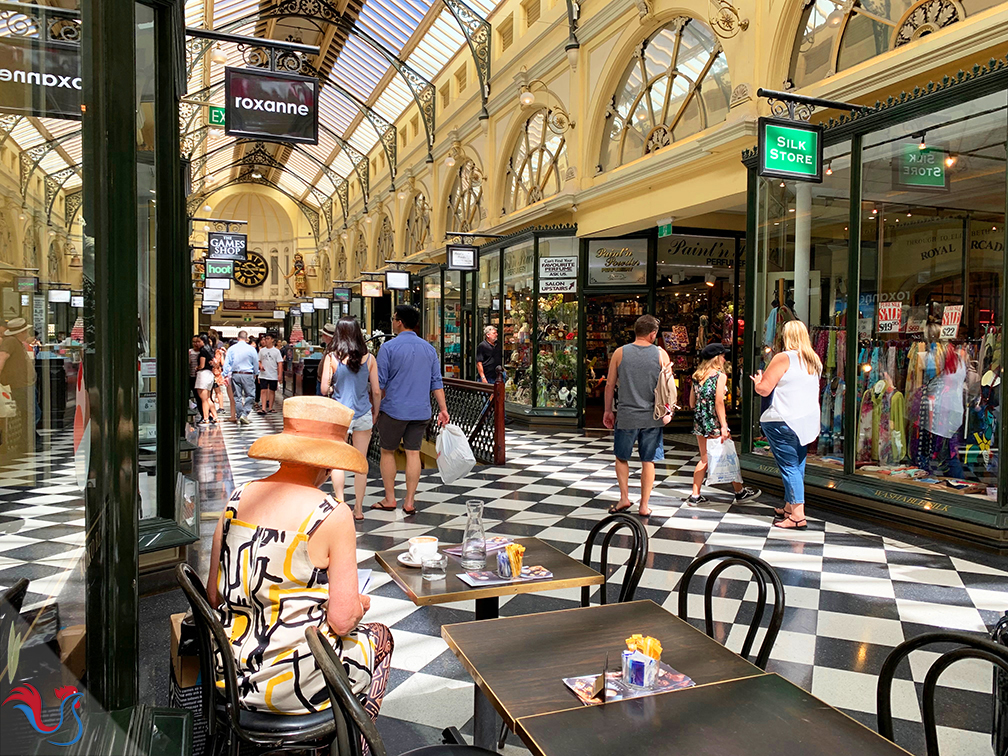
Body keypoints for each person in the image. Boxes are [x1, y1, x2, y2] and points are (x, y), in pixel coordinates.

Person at [206, 396, 393, 719]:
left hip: (229, 672)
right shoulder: (331, 514)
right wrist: (358, 604)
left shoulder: (237, 499)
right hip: (294, 683)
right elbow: (341, 620)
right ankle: (350, 745)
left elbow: (213, 594)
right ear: (328, 462)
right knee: (379, 637)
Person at [374, 305, 449, 515]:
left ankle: (390, 498)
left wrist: (374, 410)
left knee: (387, 451)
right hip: (421, 411)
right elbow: (437, 382)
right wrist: (443, 409)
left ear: (399, 321)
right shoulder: (429, 349)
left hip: (394, 410)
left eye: (393, 318)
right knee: (413, 453)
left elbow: (379, 385)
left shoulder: (388, 348)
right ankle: (409, 501)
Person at [751, 320, 822, 529]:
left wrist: (757, 381)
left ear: (785, 336)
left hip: (782, 418)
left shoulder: (783, 358)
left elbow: (764, 389)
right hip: (806, 420)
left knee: (789, 466)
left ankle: (798, 515)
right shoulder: (814, 359)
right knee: (798, 464)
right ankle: (790, 506)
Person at [603, 315, 670, 518]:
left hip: (626, 414)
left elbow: (609, 384)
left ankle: (624, 497)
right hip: (652, 416)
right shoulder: (661, 354)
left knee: (621, 457)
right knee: (648, 460)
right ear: (653, 334)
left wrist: (607, 410)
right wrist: (669, 411)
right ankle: (644, 505)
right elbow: (668, 388)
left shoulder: (620, 353)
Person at [687, 342, 761, 506]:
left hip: (700, 422)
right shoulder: (720, 376)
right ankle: (739, 492)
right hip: (714, 421)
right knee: (728, 456)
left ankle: (695, 495)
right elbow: (719, 402)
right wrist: (723, 425)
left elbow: (692, 403)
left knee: (705, 458)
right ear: (716, 358)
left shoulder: (696, 376)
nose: (724, 358)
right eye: (722, 355)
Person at [321, 318, 380, 521]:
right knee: (360, 462)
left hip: (340, 415)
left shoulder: (332, 358)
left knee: (338, 461)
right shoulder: (369, 359)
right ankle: (359, 509)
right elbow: (376, 390)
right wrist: (375, 413)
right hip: (363, 413)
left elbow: (323, 389)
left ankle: (340, 503)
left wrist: (332, 388)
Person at [0, 318, 37, 452]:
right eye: (25, 330)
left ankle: (30, 440)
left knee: (30, 412)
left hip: (24, 384)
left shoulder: (15, 342)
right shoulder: (10, 342)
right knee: (28, 413)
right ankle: (26, 443)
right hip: (19, 385)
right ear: (20, 332)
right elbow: (2, 357)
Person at [222, 330, 259, 426]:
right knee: (250, 395)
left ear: (237, 338)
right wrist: (256, 372)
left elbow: (227, 363)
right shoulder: (251, 349)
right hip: (247, 374)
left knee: (237, 397)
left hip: (235, 374)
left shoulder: (231, 349)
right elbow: (255, 362)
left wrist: (225, 374)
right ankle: (244, 414)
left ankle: (239, 416)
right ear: (247, 339)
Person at [194, 333, 217, 426]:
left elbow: (202, 365)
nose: (197, 343)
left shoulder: (203, 350)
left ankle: (206, 418)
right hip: (210, 375)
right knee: (208, 398)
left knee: (203, 399)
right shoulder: (210, 349)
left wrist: (197, 367)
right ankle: (215, 416)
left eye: (199, 341)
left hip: (203, 375)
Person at [258, 334, 284, 414]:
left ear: (272, 340)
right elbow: (258, 360)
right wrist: (260, 366)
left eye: (268, 338)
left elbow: (279, 363)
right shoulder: (262, 350)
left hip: (273, 374)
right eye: (265, 339)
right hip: (263, 374)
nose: (266, 340)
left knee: (272, 391)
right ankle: (263, 407)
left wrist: (280, 375)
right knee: (263, 390)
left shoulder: (276, 351)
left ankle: (270, 407)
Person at [188, 335, 201, 408]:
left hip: (200, 377)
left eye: (197, 342)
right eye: (193, 342)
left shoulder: (202, 352)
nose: (195, 344)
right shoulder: (190, 351)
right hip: (192, 376)